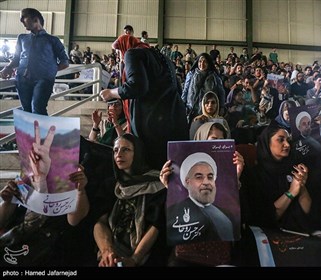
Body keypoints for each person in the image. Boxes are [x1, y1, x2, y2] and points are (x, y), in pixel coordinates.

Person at [0, 120, 88, 266]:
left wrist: (81, 191)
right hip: (13, 240)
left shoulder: (74, 181)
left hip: (43, 249)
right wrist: (7, 200)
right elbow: (2, 221)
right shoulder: (27, 177)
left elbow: (74, 220)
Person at [99, 45, 188, 170]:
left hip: (153, 127)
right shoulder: (165, 59)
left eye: (118, 51)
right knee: (172, 171)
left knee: (154, 172)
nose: (120, 57)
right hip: (175, 121)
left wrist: (111, 93)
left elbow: (136, 86)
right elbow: (178, 90)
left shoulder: (131, 54)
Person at [93, 133, 167, 267]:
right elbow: (100, 222)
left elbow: (155, 226)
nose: (119, 154)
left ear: (137, 154)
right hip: (111, 251)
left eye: (126, 149)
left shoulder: (155, 184)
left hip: (144, 255)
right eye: (115, 150)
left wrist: (134, 259)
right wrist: (107, 252)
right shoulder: (110, 185)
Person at [240, 122, 312, 232]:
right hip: (268, 234)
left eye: (288, 140)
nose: (287, 144)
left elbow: (307, 210)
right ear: (267, 143)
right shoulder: (254, 175)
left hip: (297, 231)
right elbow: (266, 218)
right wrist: (291, 192)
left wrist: (301, 185)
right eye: (280, 140)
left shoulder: (294, 169)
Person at [0, 8, 69, 115]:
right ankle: (31, 132)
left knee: (38, 108)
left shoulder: (52, 40)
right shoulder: (22, 38)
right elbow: (17, 58)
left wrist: (49, 72)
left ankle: (44, 132)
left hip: (43, 80)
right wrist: (8, 67)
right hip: (22, 79)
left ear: (35, 19)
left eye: (24, 17)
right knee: (26, 110)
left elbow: (65, 62)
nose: (21, 20)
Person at [165, 152, 235, 244]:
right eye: (199, 177)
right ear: (187, 181)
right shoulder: (174, 211)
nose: (206, 182)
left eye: (210, 177)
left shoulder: (227, 214)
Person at [181, 53, 225, 124]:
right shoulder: (191, 74)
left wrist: (222, 106)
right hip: (192, 109)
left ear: (208, 63)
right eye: (200, 61)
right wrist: (182, 104)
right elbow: (185, 90)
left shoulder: (214, 76)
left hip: (208, 110)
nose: (202, 63)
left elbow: (221, 92)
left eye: (205, 61)